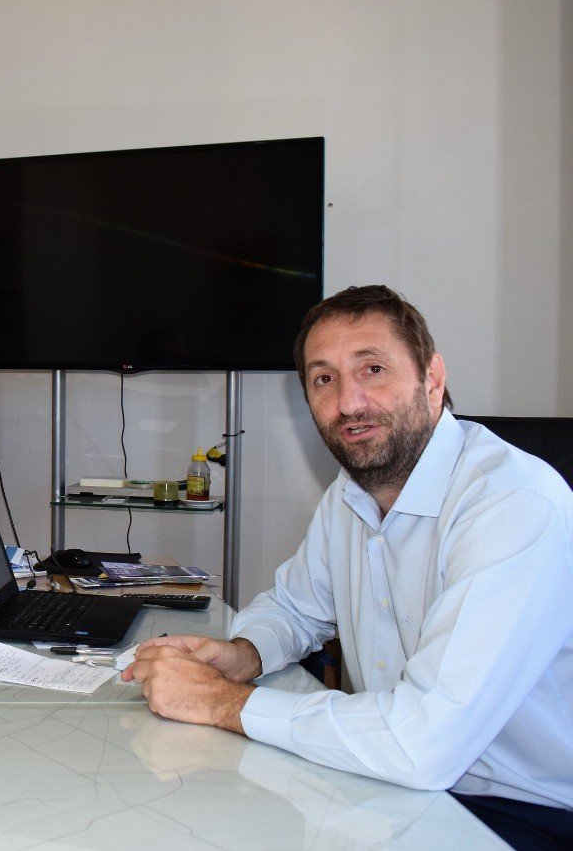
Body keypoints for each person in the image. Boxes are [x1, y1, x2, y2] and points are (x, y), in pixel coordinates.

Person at [122, 285, 572, 849]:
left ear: (432, 379)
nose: (349, 403)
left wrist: (220, 701)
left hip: (517, 810)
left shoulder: (510, 505)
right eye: (323, 379)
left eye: (373, 369)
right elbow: (296, 608)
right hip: (390, 783)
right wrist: (244, 654)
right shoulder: (351, 493)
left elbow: (421, 742)